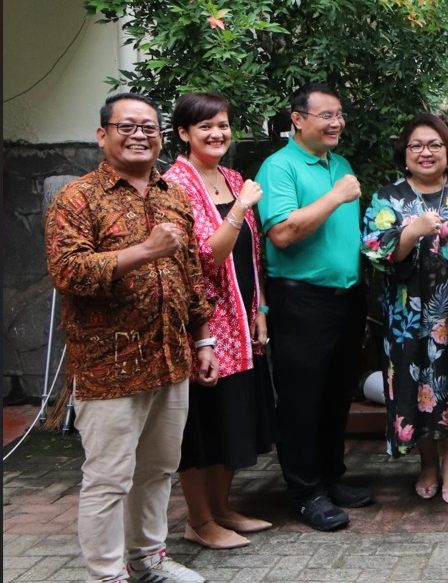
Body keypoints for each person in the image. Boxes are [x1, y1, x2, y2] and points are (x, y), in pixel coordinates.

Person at [45, 92, 216, 583]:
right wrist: (145, 250)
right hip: (108, 363)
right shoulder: (77, 198)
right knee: (108, 478)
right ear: (103, 134)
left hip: (170, 356)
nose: (139, 134)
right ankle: (106, 574)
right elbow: (69, 271)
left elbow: (190, 277)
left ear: (161, 136)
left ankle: (148, 560)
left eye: (149, 127)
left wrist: (203, 341)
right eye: (127, 126)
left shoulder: (173, 195)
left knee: (159, 469)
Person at [255, 82, 372, 531]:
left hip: (346, 299)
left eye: (339, 114)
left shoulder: (338, 163)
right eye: (326, 115)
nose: (336, 123)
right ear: (297, 119)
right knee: (302, 400)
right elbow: (282, 233)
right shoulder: (279, 167)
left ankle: (331, 478)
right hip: (301, 300)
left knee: (336, 394)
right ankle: (304, 493)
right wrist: (336, 196)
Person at [164, 92, 275, 551]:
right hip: (205, 324)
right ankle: (199, 520)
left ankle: (223, 508)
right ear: (184, 133)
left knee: (233, 416)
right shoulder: (176, 184)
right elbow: (207, 257)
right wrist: (240, 208)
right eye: (206, 126)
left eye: (224, 125)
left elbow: (253, 254)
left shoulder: (231, 177)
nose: (217, 134)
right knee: (203, 424)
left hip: (242, 319)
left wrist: (261, 308)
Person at [361, 113, 448, 505]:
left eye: (434, 145)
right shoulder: (388, 197)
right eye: (417, 145)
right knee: (417, 390)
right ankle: (427, 465)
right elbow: (377, 251)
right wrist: (410, 232)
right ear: (405, 153)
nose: (426, 152)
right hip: (407, 316)